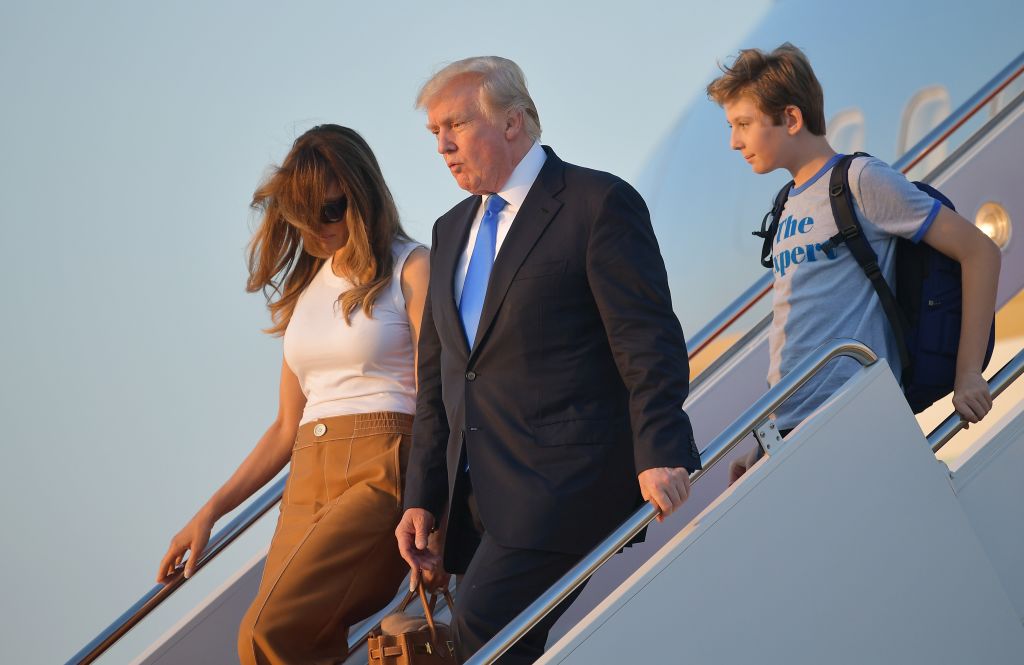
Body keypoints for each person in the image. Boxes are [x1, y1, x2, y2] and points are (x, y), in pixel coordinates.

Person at [393, 56, 701, 664]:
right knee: (506, 647)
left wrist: (661, 448)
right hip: (480, 497)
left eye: (454, 125)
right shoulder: (449, 230)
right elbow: (440, 382)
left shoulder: (597, 202)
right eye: (434, 134)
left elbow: (648, 341)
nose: (443, 146)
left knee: (482, 629)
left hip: (567, 483)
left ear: (513, 123)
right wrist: (423, 496)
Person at [156, 124, 431, 664]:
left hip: (384, 465)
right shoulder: (308, 291)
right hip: (307, 473)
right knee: (298, 642)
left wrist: (431, 501)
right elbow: (286, 426)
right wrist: (210, 511)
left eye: (331, 210)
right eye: (303, 217)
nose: (319, 229)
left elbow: (437, 395)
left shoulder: (411, 266)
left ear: (363, 195)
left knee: (266, 630)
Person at [705, 44, 1001, 484]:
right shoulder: (784, 206)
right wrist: (764, 444)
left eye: (743, 124)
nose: (734, 141)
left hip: (856, 419)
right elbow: (800, 324)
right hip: (791, 433)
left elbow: (980, 251)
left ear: (790, 118)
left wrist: (969, 374)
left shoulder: (859, 181)